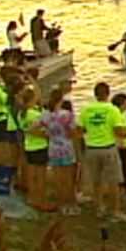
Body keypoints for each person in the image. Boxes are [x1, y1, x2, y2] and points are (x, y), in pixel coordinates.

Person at [78, 82, 126, 221]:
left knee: (97, 181)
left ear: (95, 94)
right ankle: (115, 211)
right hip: (108, 149)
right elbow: (119, 132)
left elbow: (80, 130)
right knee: (113, 182)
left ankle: (99, 208)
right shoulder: (112, 110)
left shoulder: (86, 110)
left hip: (91, 149)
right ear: (108, 94)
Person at [39, 87, 79, 215]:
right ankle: (70, 204)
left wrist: (47, 134)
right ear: (61, 100)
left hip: (53, 147)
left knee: (58, 178)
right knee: (68, 178)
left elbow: (35, 127)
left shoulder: (45, 115)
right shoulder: (67, 115)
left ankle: (61, 204)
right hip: (66, 147)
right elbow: (72, 132)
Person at [20, 86, 53, 211]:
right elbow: (40, 131)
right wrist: (48, 135)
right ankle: (41, 201)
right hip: (40, 147)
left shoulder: (22, 114)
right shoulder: (36, 114)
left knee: (31, 174)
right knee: (41, 176)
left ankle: (31, 197)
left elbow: (26, 130)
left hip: (29, 146)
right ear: (33, 99)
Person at [112, 93, 126, 205]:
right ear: (121, 105)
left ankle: (125, 190)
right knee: (125, 169)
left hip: (125, 146)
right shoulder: (118, 117)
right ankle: (125, 191)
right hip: (121, 147)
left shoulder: (122, 116)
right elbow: (120, 133)